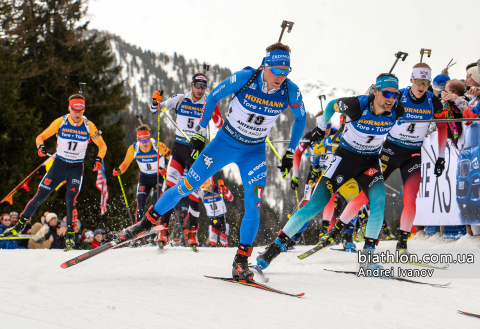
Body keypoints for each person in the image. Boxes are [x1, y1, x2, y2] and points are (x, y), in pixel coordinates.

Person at [123, 42, 306, 280]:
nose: (281, 76)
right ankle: (145, 224)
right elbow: (213, 98)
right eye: (277, 70)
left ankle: (241, 260)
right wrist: (200, 132)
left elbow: (300, 118)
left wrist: (291, 151)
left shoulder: (290, 90)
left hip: (254, 152)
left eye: (286, 71)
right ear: (265, 65)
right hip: (224, 143)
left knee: (254, 204)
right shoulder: (246, 77)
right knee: (186, 186)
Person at [260, 73, 405, 269]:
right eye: (387, 93)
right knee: (313, 206)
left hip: (370, 163)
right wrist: (320, 128)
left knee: (379, 203)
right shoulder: (357, 105)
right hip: (345, 159)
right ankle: (271, 251)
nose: (391, 99)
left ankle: (368, 259)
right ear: (376, 91)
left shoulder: (398, 109)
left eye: (395, 95)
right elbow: (330, 107)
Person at [334, 63, 447, 256]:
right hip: (390, 151)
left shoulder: (432, 101)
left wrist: (441, 156)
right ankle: (339, 229)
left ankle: (402, 244)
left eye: (426, 83)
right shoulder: (398, 95)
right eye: (419, 82)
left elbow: (443, 126)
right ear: (411, 80)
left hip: (413, 154)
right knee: (365, 195)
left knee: (410, 198)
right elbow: (373, 105)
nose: (422, 86)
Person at [1, 94, 107, 252]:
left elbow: (102, 146)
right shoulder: (61, 121)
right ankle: (20, 225)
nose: (78, 113)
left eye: (81, 110)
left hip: (76, 168)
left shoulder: (89, 125)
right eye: (75, 110)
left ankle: (70, 234)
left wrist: (98, 159)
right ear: (69, 108)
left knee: (71, 199)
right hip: (59, 165)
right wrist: (40, 147)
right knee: (39, 196)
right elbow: (40, 136)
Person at [149, 73, 224, 248]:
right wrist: (155, 100)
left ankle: (192, 233)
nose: (200, 90)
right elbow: (155, 110)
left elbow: (220, 124)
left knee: (193, 192)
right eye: (197, 86)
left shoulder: (209, 102)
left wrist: (215, 112)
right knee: (170, 186)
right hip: (179, 149)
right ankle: (164, 229)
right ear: (191, 85)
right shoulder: (180, 99)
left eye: (203, 87)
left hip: (197, 152)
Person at [113, 124, 171, 223]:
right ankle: (138, 229)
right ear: (138, 139)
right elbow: (125, 163)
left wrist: (166, 169)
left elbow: (172, 159)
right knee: (140, 205)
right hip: (144, 178)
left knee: (156, 203)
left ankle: (156, 228)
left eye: (147, 140)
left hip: (158, 177)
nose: (145, 143)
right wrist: (119, 170)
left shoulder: (157, 146)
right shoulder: (133, 149)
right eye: (142, 141)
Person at [198, 179, 234, 247]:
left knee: (223, 239)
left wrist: (224, 187)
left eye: (208, 186)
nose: (206, 188)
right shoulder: (202, 192)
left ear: (211, 185)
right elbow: (191, 192)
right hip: (212, 220)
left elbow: (231, 198)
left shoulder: (218, 189)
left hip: (223, 218)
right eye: (205, 186)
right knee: (213, 241)